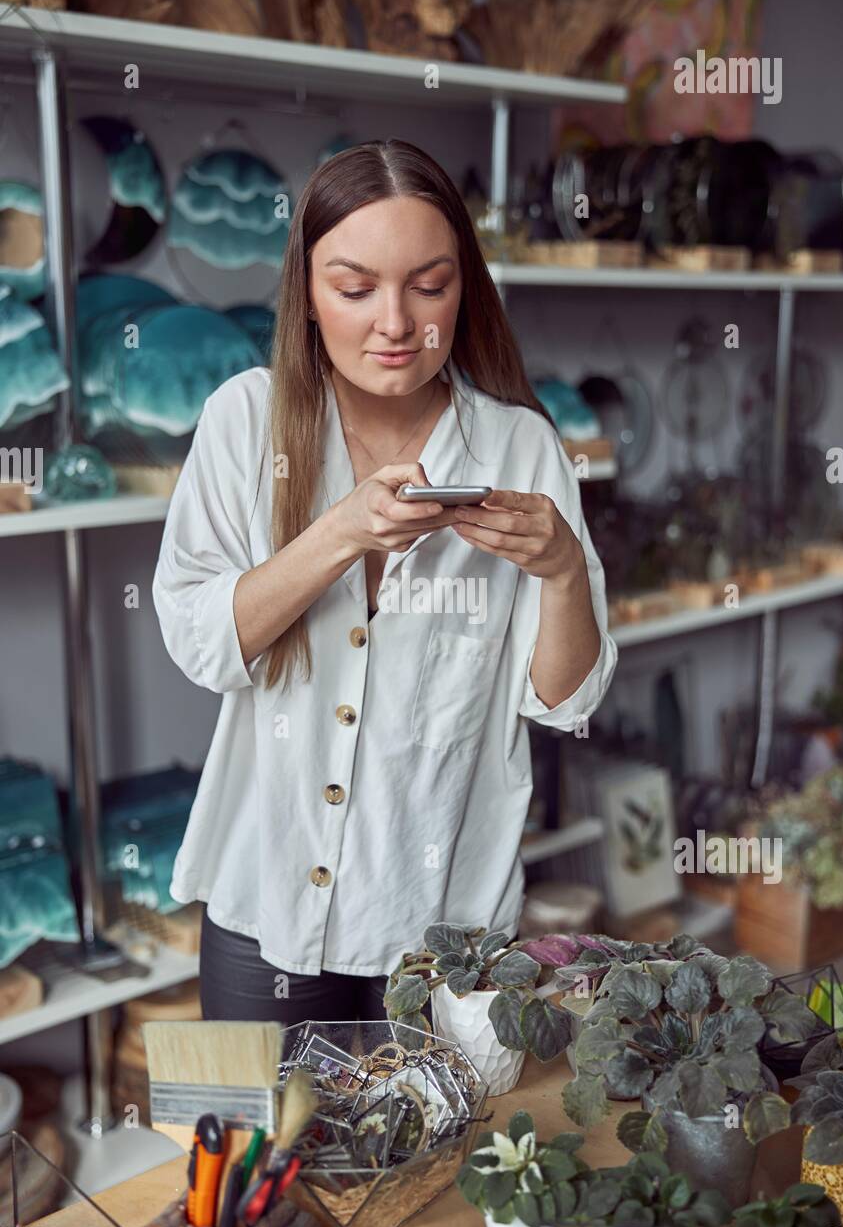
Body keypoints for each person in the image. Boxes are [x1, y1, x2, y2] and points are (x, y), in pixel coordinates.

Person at [152, 137, 618, 1027]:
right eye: (356, 288)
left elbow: (565, 702)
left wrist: (561, 569)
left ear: (464, 290)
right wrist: (341, 531)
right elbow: (202, 640)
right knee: (275, 1158)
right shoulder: (246, 421)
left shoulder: (520, 448)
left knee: (431, 1168)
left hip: (444, 933)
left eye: (429, 285)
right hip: (267, 910)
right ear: (309, 295)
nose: (396, 323)